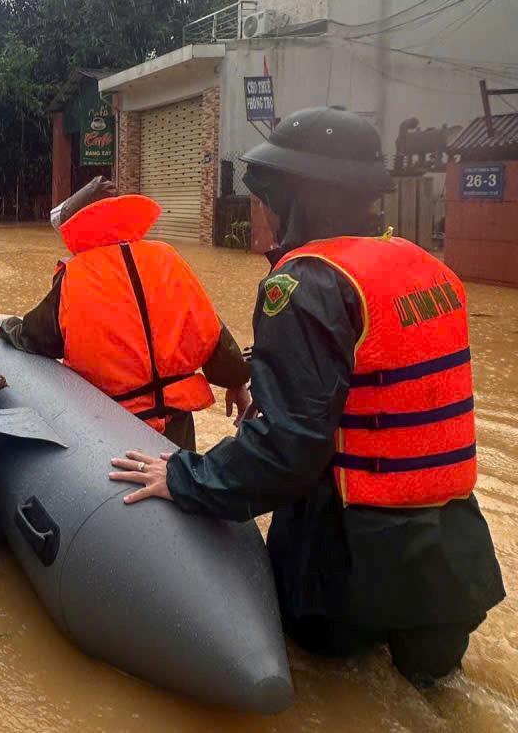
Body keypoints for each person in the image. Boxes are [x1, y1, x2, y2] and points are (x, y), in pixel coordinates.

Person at [109, 107, 505, 686]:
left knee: (321, 682)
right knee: (435, 690)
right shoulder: (427, 268)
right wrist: (263, 373)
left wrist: (185, 477)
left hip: (346, 557)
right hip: (451, 554)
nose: (260, 211)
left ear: (299, 197)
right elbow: (378, 378)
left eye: (267, 195)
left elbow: (287, 450)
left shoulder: (305, 282)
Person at [0, 183, 250, 451]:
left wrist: (6, 328)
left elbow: (38, 337)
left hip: (113, 426)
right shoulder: (167, 257)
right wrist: (236, 381)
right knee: (176, 492)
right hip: (177, 423)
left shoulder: (76, 275)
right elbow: (209, 330)